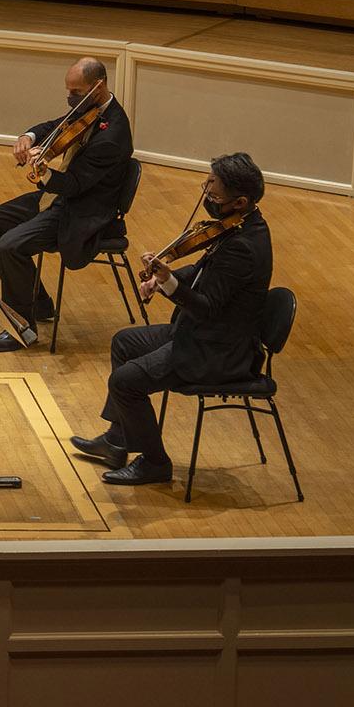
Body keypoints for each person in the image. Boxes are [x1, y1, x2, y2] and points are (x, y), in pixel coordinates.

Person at [70, 152, 274, 486]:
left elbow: (207, 306)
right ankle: (118, 440)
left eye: (214, 192)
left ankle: (155, 463)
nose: (206, 195)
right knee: (125, 342)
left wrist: (168, 282)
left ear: (239, 201)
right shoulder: (239, 225)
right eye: (207, 184)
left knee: (125, 381)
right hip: (203, 333)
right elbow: (206, 270)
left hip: (217, 351)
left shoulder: (244, 246)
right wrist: (163, 278)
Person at [0, 57, 133, 351]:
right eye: (69, 91)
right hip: (61, 197)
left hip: (82, 210)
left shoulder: (113, 134)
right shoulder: (88, 108)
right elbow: (55, 125)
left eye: (76, 91)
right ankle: (38, 302)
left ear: (98, 87)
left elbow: (74, 185)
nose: (70, 97)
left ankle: (21, 325)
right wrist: (29, 136)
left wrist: (44, 172)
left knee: (11, 245)